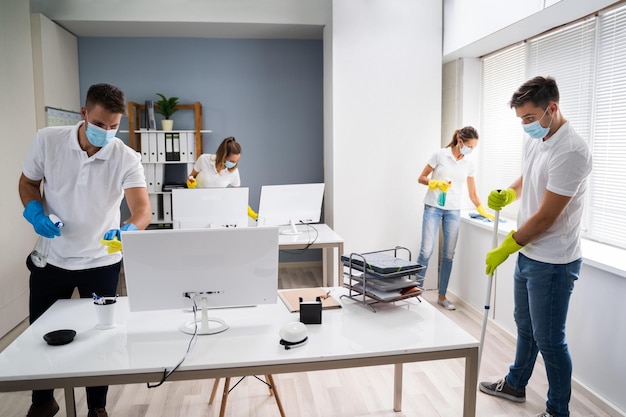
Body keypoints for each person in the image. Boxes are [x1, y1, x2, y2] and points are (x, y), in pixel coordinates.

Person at [19, 83, 152, 417]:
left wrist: (128, 230)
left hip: (102, 261)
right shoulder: (48, 140)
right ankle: (43, 400)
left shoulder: (125, 156)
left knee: (101, 339)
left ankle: (97, 407)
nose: (106, 132)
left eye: (113, 126)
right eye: (99, 124)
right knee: (42, 333)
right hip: (53, 258)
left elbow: (142, 209)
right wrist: (35, 212)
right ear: (83, 113)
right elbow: (28, 182)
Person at [479, 76, 592, 417]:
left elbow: (546, 217)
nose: (524, 125)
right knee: (525, 328)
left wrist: (506, 247)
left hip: (554, 261)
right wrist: (509, 193)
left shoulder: (572, 151)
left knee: (550, 342)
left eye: (528, 118)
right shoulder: (538, 136)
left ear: (551, 108)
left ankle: (558, 411)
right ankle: (516, 384)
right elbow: (529, 175)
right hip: (529, 254)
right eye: (521, 119)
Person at [416, 126, 494, 310]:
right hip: (433, 208)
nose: (471, 151)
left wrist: (483, 209)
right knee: (426, 251)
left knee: (448, 255)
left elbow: (472, 193)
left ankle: (442, 296)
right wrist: (434, 183)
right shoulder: (440, 155)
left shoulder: (469, 164)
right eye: (469, 146)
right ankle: (415, 292)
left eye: (474, 148)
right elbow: (421, 178)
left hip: (453, 211)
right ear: (460, 142)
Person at [187, 136, 257, 219]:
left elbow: (238, 196)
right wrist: (191, 184)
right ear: (223, 155)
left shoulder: (233, 171)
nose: (234, 164)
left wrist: (252, 214)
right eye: (232, 161)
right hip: (198, 205)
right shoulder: (204, 159)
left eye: (236, 161)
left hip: (218, 209)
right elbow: (191, 176)